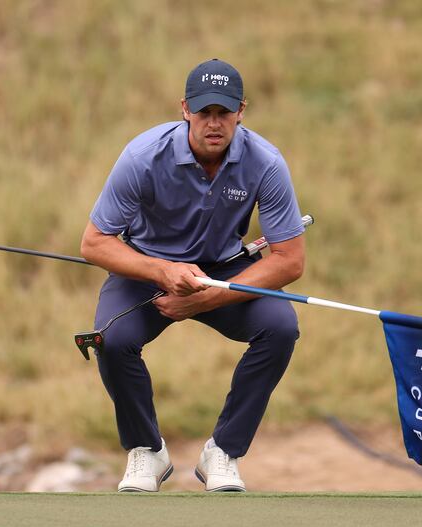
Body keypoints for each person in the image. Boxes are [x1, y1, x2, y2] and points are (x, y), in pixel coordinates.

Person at [80, 59, 305, 492]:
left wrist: (205, 299)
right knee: (112, 338)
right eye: (204, 112)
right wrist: (162, 270)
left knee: (280, 327)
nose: (214, 123)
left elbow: (289, 261)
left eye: (224, 112)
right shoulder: (142, 157)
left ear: (242, 110)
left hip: (223, 273)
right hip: (146, 267)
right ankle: (147, 450)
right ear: (185, 109)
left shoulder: (266, 163)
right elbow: (95, 243)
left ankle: (223, 451)